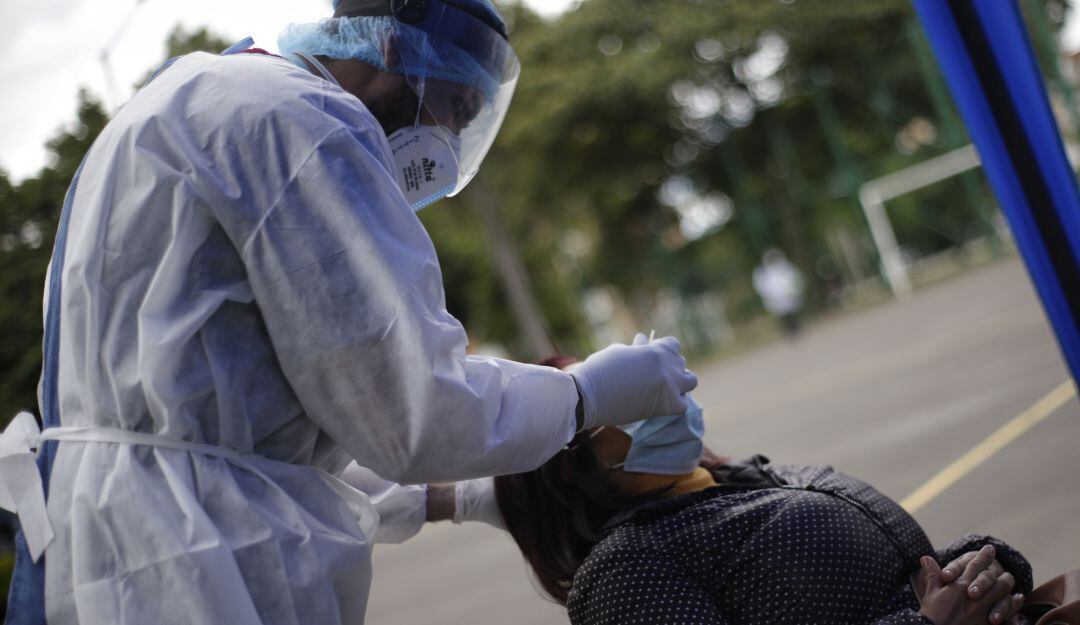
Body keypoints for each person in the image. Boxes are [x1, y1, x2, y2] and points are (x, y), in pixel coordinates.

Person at [0, 1, 698, 623]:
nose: (448, 140)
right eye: (453, 106)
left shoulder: (199, 96)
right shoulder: (307, 125)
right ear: (394, 48)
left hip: (106, 534)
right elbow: (415, 409)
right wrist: (587, 392)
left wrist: (452, 498)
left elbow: (250, 434)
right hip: (193, 560)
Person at [491, 360, 1033, 625]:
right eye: (612, 397)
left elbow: (891, 578)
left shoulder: (732, 479)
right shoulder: (623, 573)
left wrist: (980, 571)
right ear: (567, 466)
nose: (647, 393)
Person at [752, 248, 806, 337]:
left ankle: (795, 329)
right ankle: (789, 330)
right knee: (784, 315)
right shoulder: (765, 273)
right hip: (777, 298)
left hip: (788, 296)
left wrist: (792, 290)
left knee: (792, 313)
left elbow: (793, 279)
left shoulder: (786, 267)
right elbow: (765, 287)